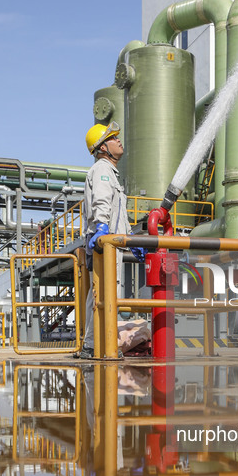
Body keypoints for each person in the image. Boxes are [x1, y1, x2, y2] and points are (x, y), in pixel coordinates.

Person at [80, 122, 144, 359]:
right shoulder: (102, 170)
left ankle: (94, 343)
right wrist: (102, 227)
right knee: (103, 294)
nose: (119, 140)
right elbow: (102, 202)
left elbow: (120, 215)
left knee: (104, 293)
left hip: (112, 241)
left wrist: (132, 240)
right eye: (114, 138)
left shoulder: (111, 174)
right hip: (104, 242)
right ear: (103, 147)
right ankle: (95, 344)